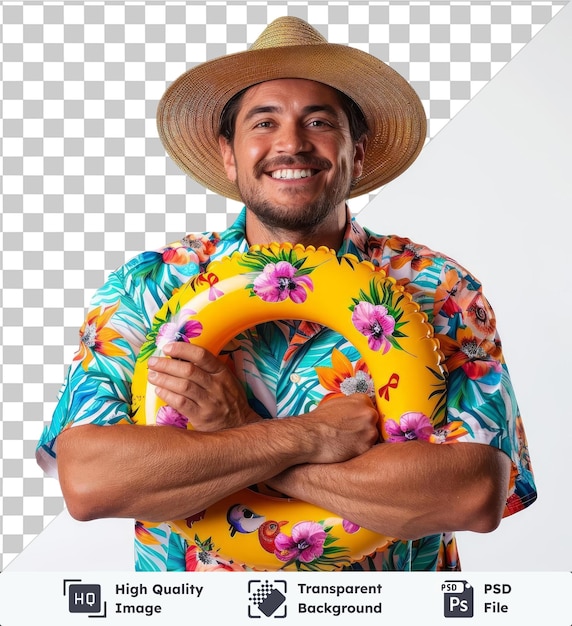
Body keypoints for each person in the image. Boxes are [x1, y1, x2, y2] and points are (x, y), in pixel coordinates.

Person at [37, 16, 536, 572]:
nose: (292, 143)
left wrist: (236, 434)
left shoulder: (437, 287)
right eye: (264, 121)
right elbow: (90, 482)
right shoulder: (150, 284)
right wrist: (309, 436)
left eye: (318, 121)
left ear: (359, 152)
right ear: (229, 154)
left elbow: (470, 496)